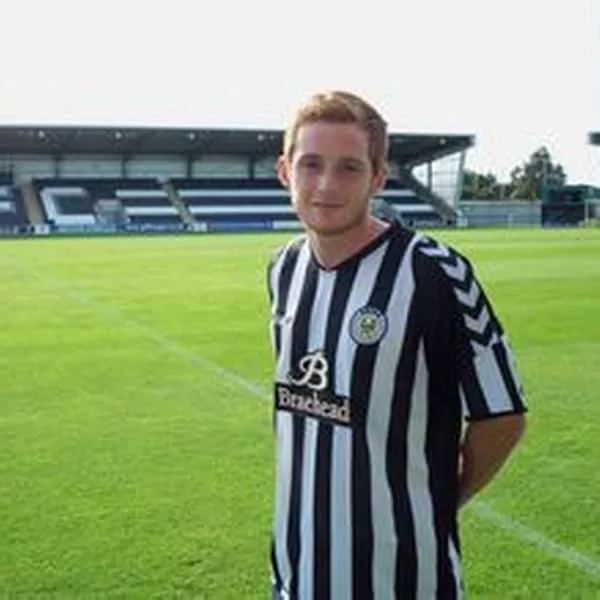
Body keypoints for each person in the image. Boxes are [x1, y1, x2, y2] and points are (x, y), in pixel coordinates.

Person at [266, 90, 527, 600]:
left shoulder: (434, 272)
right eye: (311, 164)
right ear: (284, 171)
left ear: (378, 178)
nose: (326, 185)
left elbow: (503, 417)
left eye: (349, 168)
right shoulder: (284, 269)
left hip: (404, 580)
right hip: (297, 576)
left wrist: (437, 500)